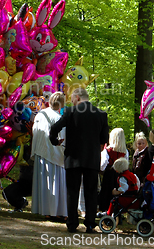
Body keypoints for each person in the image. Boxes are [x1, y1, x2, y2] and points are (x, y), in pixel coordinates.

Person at [50, 87, 109, 234]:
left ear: (77, 97)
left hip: (73, 158)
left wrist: (55, 141)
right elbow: (104, 140)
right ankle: (90, 224)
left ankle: (72, 223)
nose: (71, 101)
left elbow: (54, 128)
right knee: (91, 191)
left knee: (72, 191)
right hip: (92, 158)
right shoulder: (101, 114)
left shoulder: (70, 112)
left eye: (72, 98)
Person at [31, 92, 67, 221]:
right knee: (55, 182)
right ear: (61, 104)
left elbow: (35, 133)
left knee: (44, 182)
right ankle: (55, 211)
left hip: (41, 152)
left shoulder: (40, 115)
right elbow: (63, 138)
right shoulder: (59, 118)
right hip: (55, 153)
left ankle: (43, 209)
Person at [98, 128, 128, 213]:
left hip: (109, 175)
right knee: (119, 193)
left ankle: (105, 209)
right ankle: (118, 210)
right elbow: (126, 165)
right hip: (120, 176)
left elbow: (102, 166)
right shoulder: (125, 152)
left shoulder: (107, 151)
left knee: (107, 192)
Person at [2, 144, 33, 212]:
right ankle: (21, 203)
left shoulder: (40, 153)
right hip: (24, 182)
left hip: (38, 183)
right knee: (7, 193)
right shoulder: (22, 150)